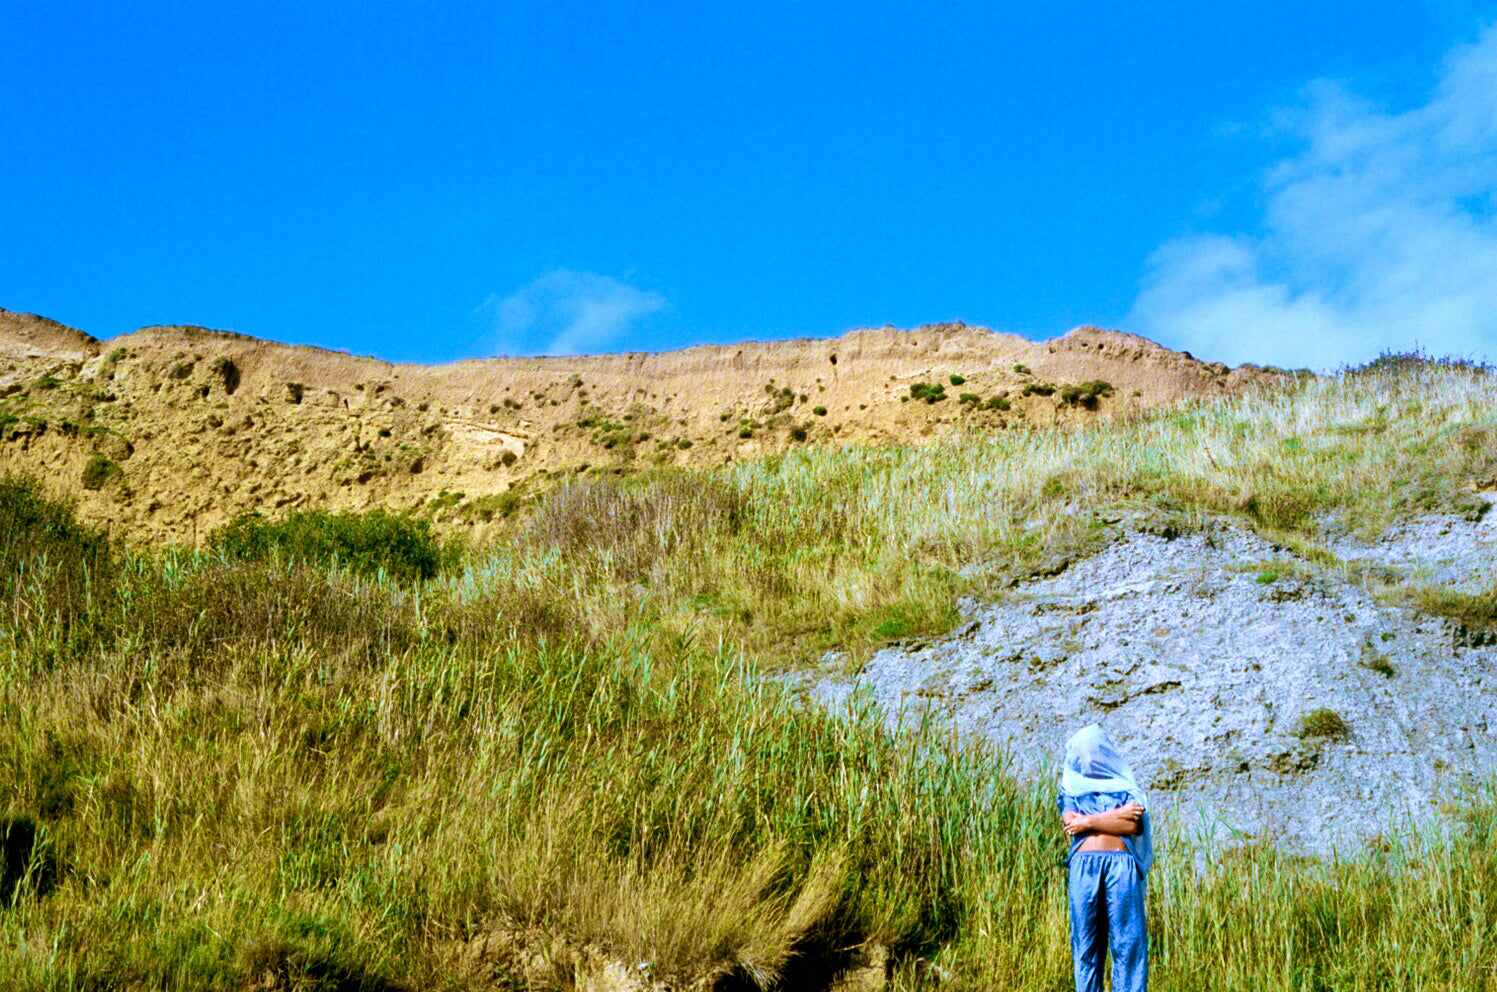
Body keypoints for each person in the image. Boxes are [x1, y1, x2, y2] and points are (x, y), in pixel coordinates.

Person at [1057, 724, 1153, 992]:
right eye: (1083, 754)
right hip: (1083, 868)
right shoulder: (1070, 787)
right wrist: (1116, 816)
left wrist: (1087, 821)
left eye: (1093, 753)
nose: (1088, 759)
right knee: (1086, 941)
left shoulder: (1126, 787)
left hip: (1121, 866)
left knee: (1127, 940)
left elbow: (1131, 827)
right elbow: (1069, 824)